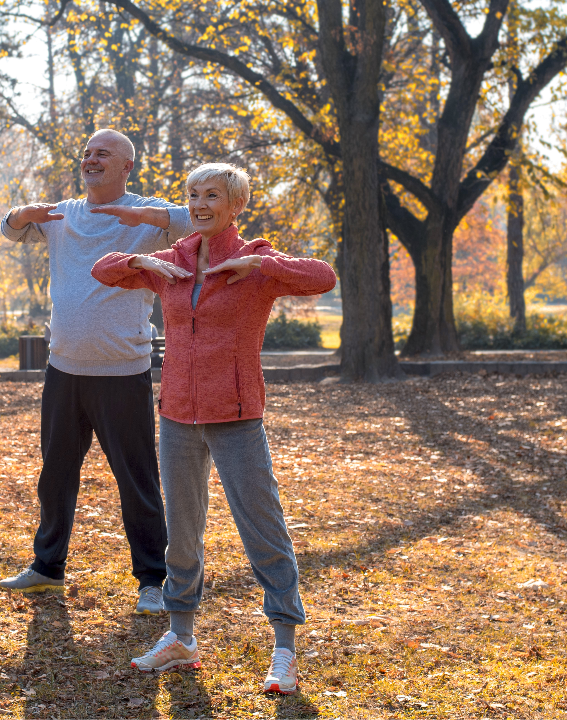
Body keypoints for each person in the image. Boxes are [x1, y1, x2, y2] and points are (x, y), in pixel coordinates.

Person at [91, 163, 336, 692]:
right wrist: (137, 257)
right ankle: (181, 638)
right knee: (181, 533)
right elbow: (104, 270)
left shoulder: (257, 262)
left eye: (212, 195)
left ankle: (285, 649)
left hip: (237, 417)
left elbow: (322, 277)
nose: (200, 204)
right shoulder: (171, 261)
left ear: (235, 204)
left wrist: (260, 265)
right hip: (177, 414)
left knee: (263, 530)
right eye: (193, 195)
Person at [0, 129, 193, 615]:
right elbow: (9, 229)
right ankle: (47, 567)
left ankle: (152, 581)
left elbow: (200, 220)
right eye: (87, 153)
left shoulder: (150, 215)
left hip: (123, 373)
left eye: (102, 153)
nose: (90, 159)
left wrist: (141, 215)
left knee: (138, 481)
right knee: (55, 475)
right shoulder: (64, 214)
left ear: (127, 166)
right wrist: (22, 214)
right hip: (63, 370)